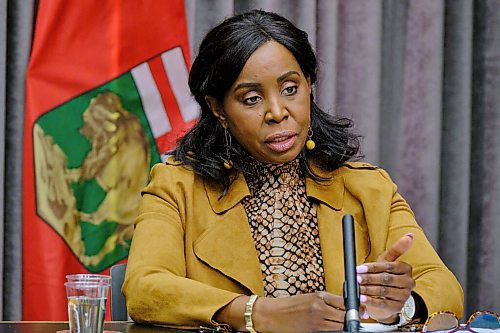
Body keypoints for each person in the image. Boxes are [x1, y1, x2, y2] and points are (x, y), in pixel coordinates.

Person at [123, 9, 463, 332]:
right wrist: (258, 313)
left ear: (309, 86)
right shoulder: (177, 186)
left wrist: (399, 307)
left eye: (290, 89)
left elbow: (445, 288)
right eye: (251, 98)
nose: (277, 112)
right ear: (219, 109)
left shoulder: (367, 187)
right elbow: (144, 288)